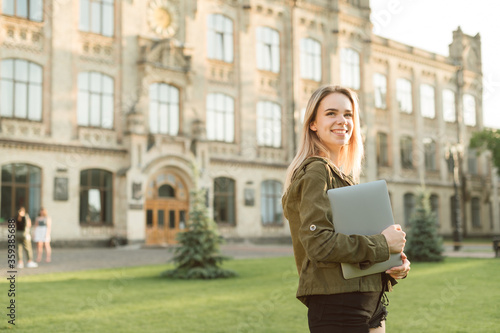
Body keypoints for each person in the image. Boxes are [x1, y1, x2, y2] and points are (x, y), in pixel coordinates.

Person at [282, 85, 410, 333]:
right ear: (313, 124)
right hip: (339, 308)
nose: (342, 121)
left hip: (369, 304)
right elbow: (319, 244)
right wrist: (383, 244)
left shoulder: (344, 178)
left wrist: (393, 265)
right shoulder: (317, 171)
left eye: (348, 114)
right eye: (331, 113)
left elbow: (354, 251)